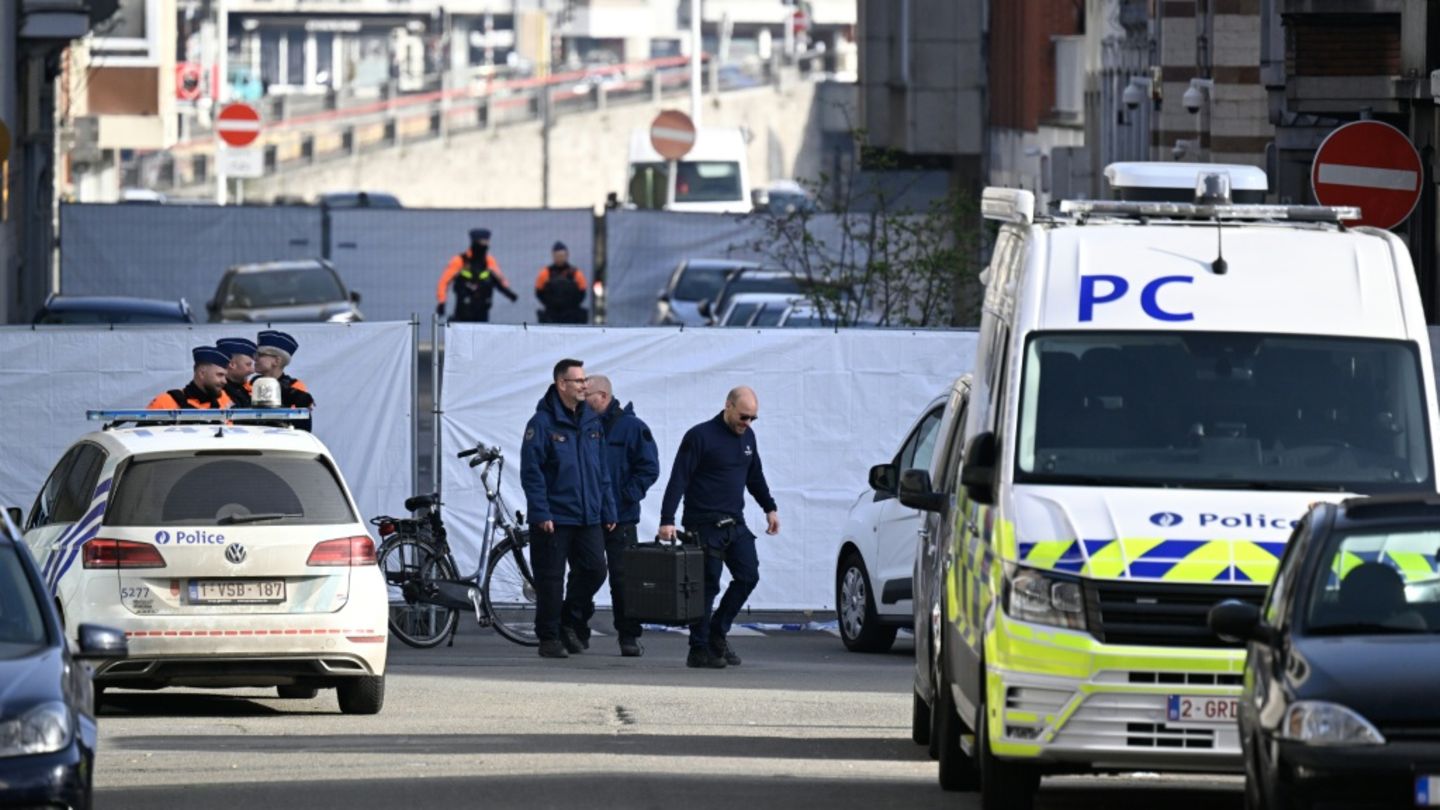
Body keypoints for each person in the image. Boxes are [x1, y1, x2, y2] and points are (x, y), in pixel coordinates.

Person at [658, 386, 780, 669]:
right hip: (703, 523)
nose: (747, 423)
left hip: (734, 522)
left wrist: (770, 508)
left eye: (752, 418)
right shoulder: (700, 436)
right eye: (743, 416)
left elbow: (755, 476)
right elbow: (679, 478)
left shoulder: (748, 437)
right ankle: (699, 648)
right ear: (728, 406)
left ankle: (717, 633)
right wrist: (667, 519)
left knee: (748, 575)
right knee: (707, 585)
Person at [520, 359, 617, 659]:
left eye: (585, 381)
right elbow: (532, 472)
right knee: (550, 580)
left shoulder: (591, 421)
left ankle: (568, 620)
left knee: (595, 570)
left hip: (588, 515)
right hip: (555, 517)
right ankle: (549, 638)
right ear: (562, 384)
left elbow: (601, 469)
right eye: (578, 381)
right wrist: (541, 512)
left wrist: (608, 509)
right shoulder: (541, 423)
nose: (584, 386)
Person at [576, 374, 659, 657]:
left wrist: (624, 496)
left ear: (602, 396)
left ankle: (628, 636)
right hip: (588, 515)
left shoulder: (633, 427)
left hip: (621, 517)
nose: (581, 400)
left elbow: (649, 468)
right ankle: (576, 629)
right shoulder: (582, 425)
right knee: (584, 573)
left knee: (624, 579)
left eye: (586, 395)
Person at [436, 227, 517, 322]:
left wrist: (508, 292)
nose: (486, 245)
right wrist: (442, 302)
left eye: (487, 242)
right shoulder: (460, 260)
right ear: (475, 241)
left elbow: (499, 278)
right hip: (464, 309)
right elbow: (444, 281)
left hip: (482, 309)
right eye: (483, 242)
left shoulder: (488, 260)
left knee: (488, 279)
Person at [147, 346, 234, 410]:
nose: (225, 381)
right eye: (220, 375)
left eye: (225, 376)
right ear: (202, 373)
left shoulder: (224, 401)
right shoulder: (165, 402)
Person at [254, 330, 315, 412]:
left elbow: (301, 416)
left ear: (277, 361)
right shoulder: (252, 383)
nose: (255, 359)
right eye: (256, 354)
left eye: (261, 355)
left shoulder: (295, 386)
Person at [534, 241, 589, 324]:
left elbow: (582, 292)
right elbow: (539, 292)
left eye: (562, 255)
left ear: (567, 255)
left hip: (571, 314)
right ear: (553, 256)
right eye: (557, 256)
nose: (560, 258)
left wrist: (571, 305)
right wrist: (551, 304)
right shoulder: (545, 272)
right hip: (551, 314)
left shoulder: (576, 273)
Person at [217, 336, 257, 407]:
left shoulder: (246, 389)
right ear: (232, 364)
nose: (252, 370)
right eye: (248, 364)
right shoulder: (215, 392)